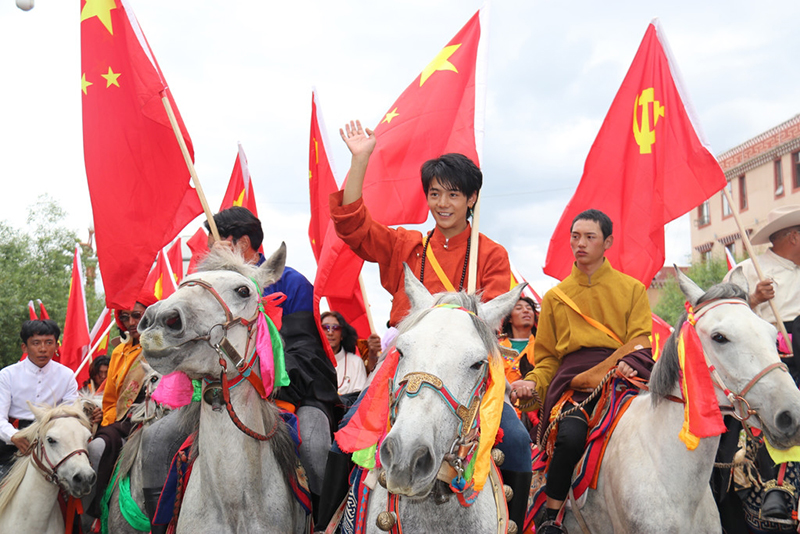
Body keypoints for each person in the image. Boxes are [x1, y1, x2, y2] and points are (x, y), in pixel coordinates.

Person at [316, 121, 532, 533]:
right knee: (345, 434)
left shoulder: (491, 254)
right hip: (405, 360)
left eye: (453, 194)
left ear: (471, 198)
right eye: (435, 194)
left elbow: (488, 322)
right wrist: (360, 160)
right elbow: (352, 224)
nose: (443, 203)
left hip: (465, 369)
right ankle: (330, 524)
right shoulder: (405, 246)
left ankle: (514, 523)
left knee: (519, 443)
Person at [141, 207, 339, 533]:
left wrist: (268, 378)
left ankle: (322, 525)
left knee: (316, 444)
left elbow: (305, 349)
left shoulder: (292, 282)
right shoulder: (205, 286)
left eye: (214, 242)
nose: (206, 250)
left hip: (287, 392)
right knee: (157, 438)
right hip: (215, 391)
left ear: (241, 243)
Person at [511, 209, 653, 534]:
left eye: (590, 237)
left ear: (608, 242)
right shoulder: (555, 298)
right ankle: (552, 517)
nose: (580, 243)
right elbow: (546, 359)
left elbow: (641, 339)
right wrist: (531, 384)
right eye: (575, 237)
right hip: (575, 386)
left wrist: (629, 360)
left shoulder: (632, 289)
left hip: (623, 379)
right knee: (571, 436)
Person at [722, 205, 800, 523]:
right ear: (794, 237)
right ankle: (778, 487)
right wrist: (752, 300)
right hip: (768, 356)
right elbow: (724, 319)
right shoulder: (748, 270)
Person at [0, 320, 100, 479]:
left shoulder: (66, 375)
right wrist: (13, 436)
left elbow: (72, 413)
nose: (43, 349)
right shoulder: (7, 375)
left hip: (56, 440)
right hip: (16, 440)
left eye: (48, 343)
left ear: (56, 346)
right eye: (36, 343)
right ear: (24, 347)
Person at [86, 301, 154, 517]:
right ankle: (92, 512)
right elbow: (111, 399)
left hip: (156, 417)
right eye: (125, 317)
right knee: (96, 448)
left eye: (137, 315)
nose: (131, 323)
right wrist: (107, 425)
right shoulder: (118, 352)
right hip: (122, 422)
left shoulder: (161, 345)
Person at [321, 311, 368, 404]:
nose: (330, 332)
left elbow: (359, 399)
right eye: (325, 328)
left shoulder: (355, 362)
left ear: (342, 334)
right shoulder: (311, 360)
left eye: (336, 328)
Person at [499, 296, 538, 384]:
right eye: (518, 308)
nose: (526, 311)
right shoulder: (497, 349)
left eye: (529, 308)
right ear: (509, 318)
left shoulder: (542, 345)